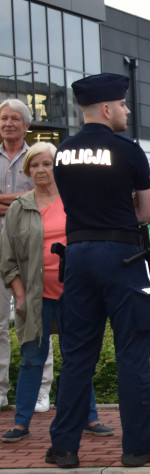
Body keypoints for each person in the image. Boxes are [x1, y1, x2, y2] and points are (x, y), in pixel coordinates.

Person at [47, 73, 150, 468]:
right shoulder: (127, 149)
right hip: (121, 256)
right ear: (106, 108)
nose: (127, 110)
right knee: (132, 353)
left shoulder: (63, 151)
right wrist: (121, 218)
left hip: (78, 255)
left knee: (77, 356)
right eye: (122, 105)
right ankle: (138, 447)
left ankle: (64, 447)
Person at [0, 142, 112, 443]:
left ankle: (89, 417)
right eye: (34, 165)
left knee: (77, 359)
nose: (40, 170)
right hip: (35, 297)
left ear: (57, 168)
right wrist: (20, 293)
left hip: (74, 294)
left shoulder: (75, 202)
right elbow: (7, 258)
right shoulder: (20, 208)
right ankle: (21, 423)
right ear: (27, 171)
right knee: (32, 359)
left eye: (46, 164)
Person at [0, 99, 38, 410]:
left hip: (31, 251)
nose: (8, 123)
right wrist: (20, 199)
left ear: (26, 125)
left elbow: (42, 195)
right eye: (3, 118)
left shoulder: (37, 158)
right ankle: (0, 392)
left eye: (14, 118)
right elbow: (28, 199)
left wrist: (5, 201)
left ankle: (41, 390)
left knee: (36, 320)